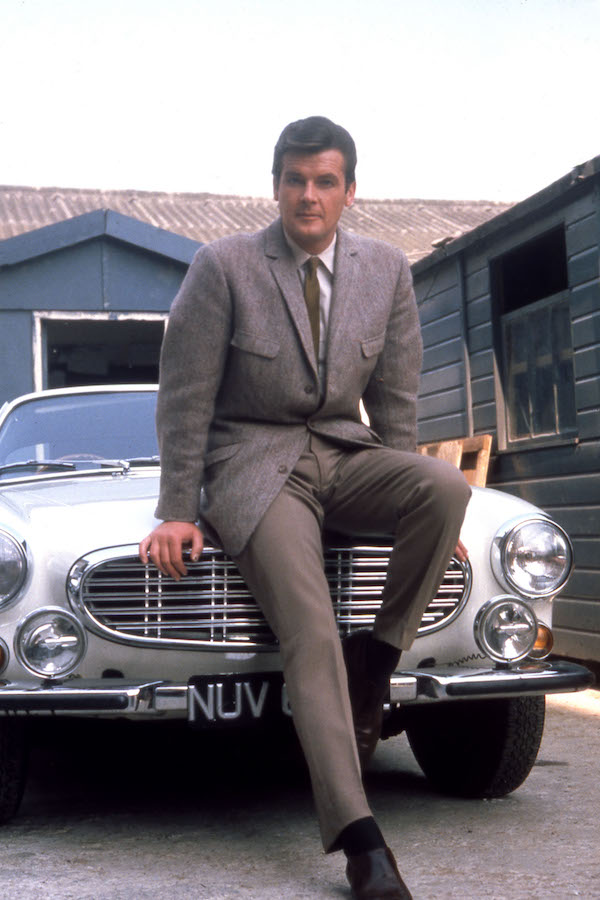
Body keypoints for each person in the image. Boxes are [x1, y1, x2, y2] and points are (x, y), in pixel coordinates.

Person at [139, 116, 471, 899]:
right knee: (312, 627)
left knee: (449, 489)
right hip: (255, 467)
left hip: (345, 451)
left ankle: (375, 666)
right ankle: (362, 840)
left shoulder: (386, 267)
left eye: (325, 181)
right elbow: (184, 396)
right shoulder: (222, 265)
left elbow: (394, 396)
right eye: (295, 179)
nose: (308, 195)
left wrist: (428, 520)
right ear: (276, 185)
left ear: (350, 191)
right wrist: (179, 508)